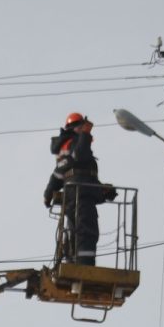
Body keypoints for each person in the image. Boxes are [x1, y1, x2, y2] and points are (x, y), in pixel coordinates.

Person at [42, 112, 115, 266]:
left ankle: (72, 262)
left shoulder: (66, 146)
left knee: (74, 231)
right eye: (83, 126)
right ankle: (84, 266)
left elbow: (61, 174)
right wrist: (85, 135)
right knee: (86, 232)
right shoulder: (76, 143)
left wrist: (48, 194)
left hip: (74, 194)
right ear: (77, 127)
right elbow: (80, 157)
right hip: (81, 195)